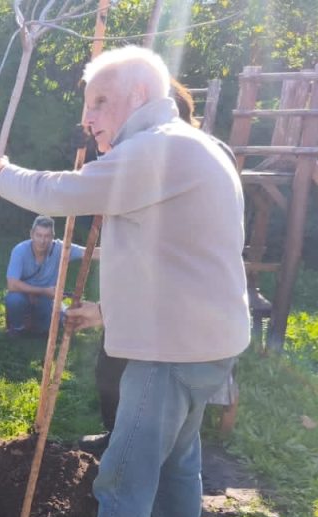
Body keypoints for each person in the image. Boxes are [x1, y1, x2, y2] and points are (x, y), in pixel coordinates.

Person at [0, 46, 250, 517]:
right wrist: (108, 311)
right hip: (207, 343)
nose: (88, 118)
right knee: (178, 459)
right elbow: (176, 260)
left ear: (139, 96)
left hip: (169, 353)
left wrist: (2, 176)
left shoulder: (158, 149)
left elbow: (63, 194)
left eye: (100, 102)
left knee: (126, 471)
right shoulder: (197, 148)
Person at [79, 78, 225, 456]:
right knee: (110, 368)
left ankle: (133, 454)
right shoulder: (145, 151)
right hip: (138, 295)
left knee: (149, 394)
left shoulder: (186, 154)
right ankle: (118, 436)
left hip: (171, 314)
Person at [5, 214, 89, 336]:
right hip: (24, 295)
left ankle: (36, 325)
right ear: (31, 234)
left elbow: (90, 252)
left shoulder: (60, 248)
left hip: (46, 299)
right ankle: (17, 328)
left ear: (52, 237)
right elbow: (12, 285)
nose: (42, 241)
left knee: (55, 324)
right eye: (39, 235)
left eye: (47, 236)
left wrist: (116, 252)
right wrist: (43, 291)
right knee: (14, 300)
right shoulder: (19, 250)